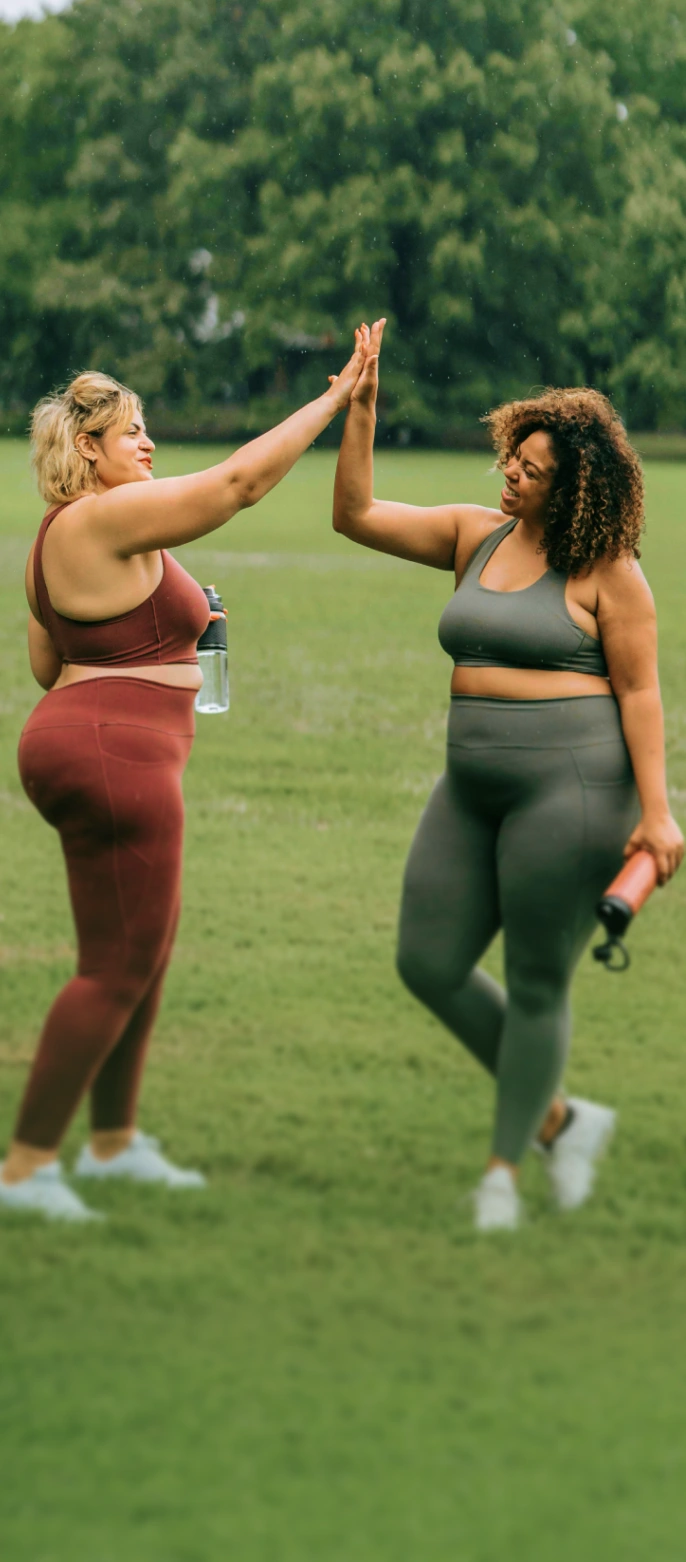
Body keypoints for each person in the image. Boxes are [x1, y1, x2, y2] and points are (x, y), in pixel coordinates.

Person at [0, 341, 365, 1221]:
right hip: (114, 754)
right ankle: (24, 1169)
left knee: (140, 952)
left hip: (92, 741)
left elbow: (51, 662)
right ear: (86, 448)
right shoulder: (98, 522)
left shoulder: (76, 539)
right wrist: (336, 401)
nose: (149, 443)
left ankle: (115, 1143)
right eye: (132, 432)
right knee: (115, 968)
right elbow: (236, 486)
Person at [332, 320, 683, 1231]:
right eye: (512, 457)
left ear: (573, 486)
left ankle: (501, 1177)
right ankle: (563, 1122)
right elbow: (356, 516)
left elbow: (642, 695)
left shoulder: (610, 571)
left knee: (536, 981)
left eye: (532, 466)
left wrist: (658, 813)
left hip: (571, 789)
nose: (512, 472)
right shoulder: (473, 536)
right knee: (427, 960)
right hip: (471, 785)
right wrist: (361, 410)